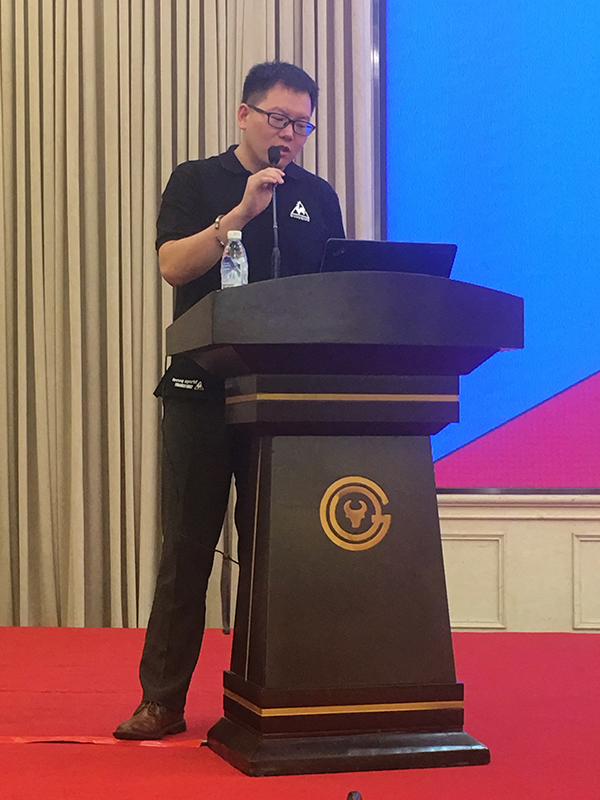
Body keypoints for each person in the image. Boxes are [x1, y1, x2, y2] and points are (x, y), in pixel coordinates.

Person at [113, 61, 345, 740]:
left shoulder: (317, 196)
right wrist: (240, 215)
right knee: (187, 546)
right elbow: (171, 267)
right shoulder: (196, 180)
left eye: (302, 126)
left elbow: (334, 287)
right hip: (201, 393)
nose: (290, 135)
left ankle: (263, 693)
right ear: (244, 115)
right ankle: (161, 700)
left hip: (283, 400)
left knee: (272, 551)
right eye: (279, 120)